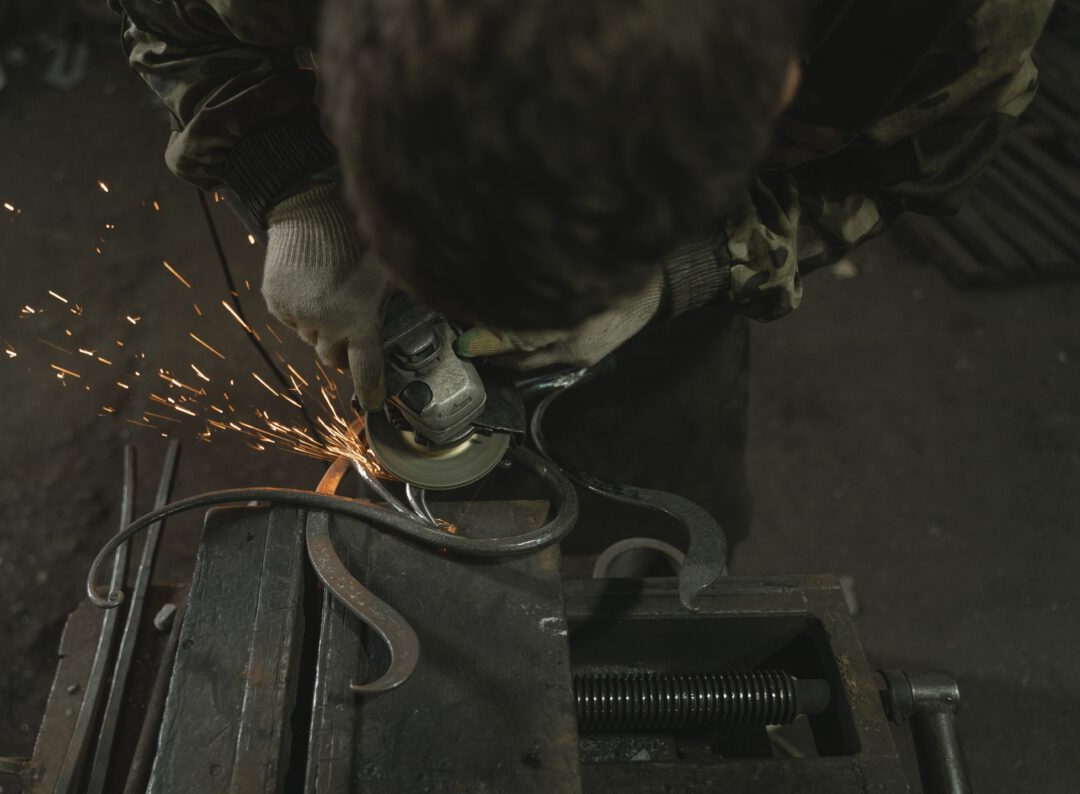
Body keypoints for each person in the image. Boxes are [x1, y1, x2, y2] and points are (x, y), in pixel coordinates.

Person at [113, 0, 1050, 555]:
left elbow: (910, 164)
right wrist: (289, 184)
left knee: (663, 525)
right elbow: (171, 16)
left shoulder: (930, 21)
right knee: (409, 549)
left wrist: (689, 268)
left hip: (674, 316)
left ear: (774, 90)